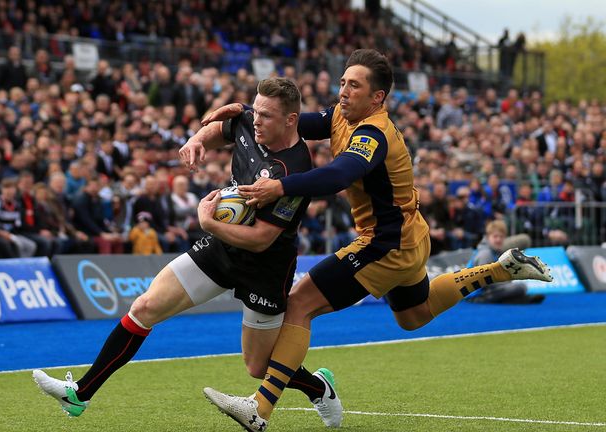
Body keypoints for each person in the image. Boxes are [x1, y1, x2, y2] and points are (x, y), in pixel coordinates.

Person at [201, 49, 553, 432]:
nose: (344, 91)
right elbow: (290, 122)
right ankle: (499, 270)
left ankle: (260, 407)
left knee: (300, 303)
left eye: (354, 85)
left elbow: (338, 174)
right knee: (414, 316)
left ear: (377, 97)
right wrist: (244, 115)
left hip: (385, 244)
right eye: (342, 82)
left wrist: (279, 186)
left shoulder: (374, 132)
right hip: (409, 236)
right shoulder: (340, 115)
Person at [32, 77, 343, 427]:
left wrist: (208, 224)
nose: (256, 120)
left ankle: (318, 386)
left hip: (265, 267)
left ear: (291, 120)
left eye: (267, 116)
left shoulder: (295, 170)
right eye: (255, 111)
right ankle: (80, 394)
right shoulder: (248, 123)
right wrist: (197, 140)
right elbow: (221, 130)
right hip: (220, 250)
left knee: (258, 367)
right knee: (145, 306)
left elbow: (261, 239)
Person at [466, 220, 544, 304]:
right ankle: (521, 299)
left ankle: (521, 300)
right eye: (495, 237)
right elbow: (486, 282)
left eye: (501, 237)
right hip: (477, 295)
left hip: (484, 291)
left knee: (515, 287)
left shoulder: (495, 251)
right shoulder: (486, 254)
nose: (498, 240)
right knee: (520, 287)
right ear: (488, 237)